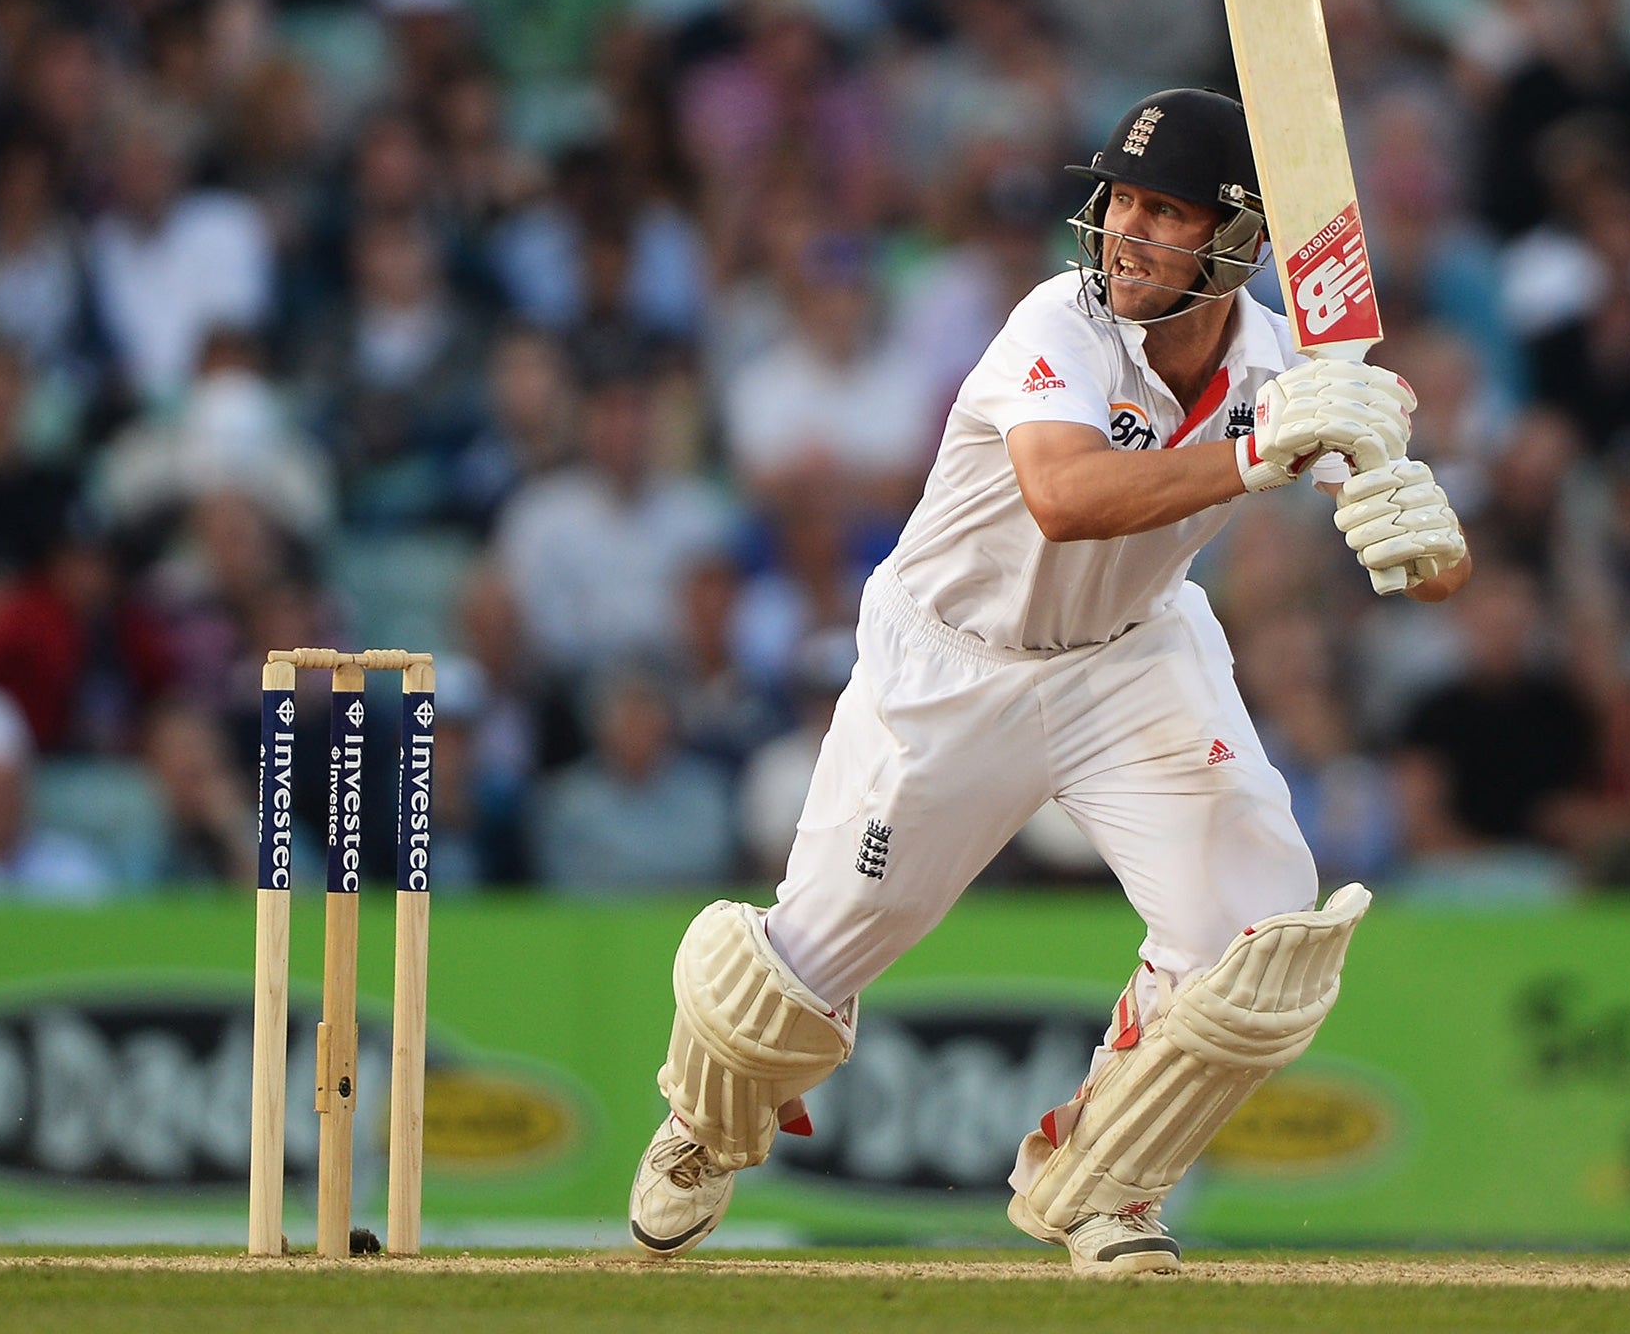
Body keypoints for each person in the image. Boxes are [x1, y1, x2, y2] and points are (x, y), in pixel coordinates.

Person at [625, 89, 1471, 1275]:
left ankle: (1103, 1188)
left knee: (1256, 932)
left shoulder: (1284, 361)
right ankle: (705, 1130)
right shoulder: (1054, 323)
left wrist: (1415, 529)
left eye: (1163, 210)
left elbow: (1422, 575)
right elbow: (1063, 500)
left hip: (1129, 658)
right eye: (1119, 198)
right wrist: (1252, 454)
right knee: (804, 964)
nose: (1124, 230)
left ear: (1230, 242)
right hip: (949, 667)